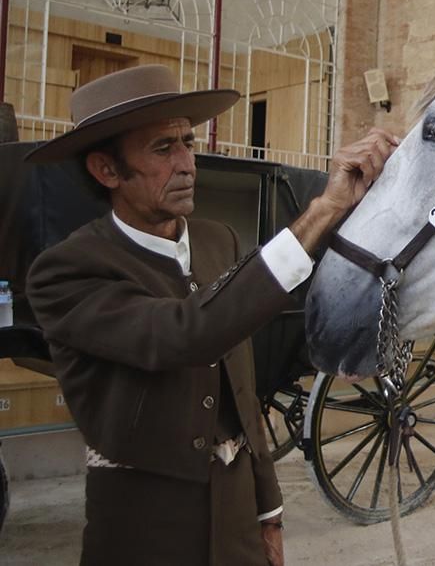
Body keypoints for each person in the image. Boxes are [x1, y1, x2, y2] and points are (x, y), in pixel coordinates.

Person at [25, 64, 397, 565]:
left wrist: (269, 514)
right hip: (145, 536)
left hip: (237, 527)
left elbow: (243, 395)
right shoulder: (67, 273)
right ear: (106, 170)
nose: (187, 163)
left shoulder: (215, 240)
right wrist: (322, 211)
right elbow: (188, 334)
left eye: (187, 142)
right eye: (163, 148)